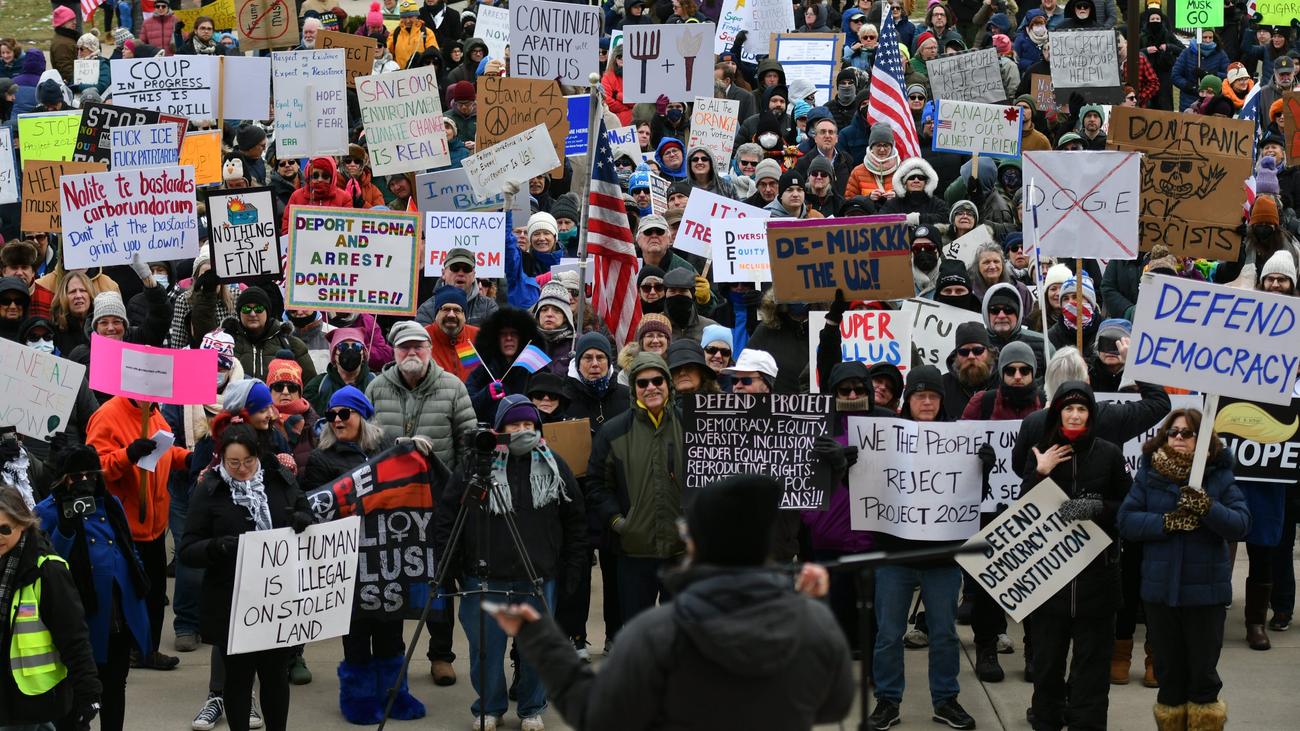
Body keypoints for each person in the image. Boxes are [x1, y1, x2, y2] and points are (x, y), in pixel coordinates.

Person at [494, 473, 854, 731]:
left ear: (697, 544)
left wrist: (541, 639)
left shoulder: (656, 633)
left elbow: (595, 713)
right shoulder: (814, 623)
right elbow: (834, 704)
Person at [434, 395, 587, 731]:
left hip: (537, 575)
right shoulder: (477, 467)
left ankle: (532, 707)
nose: (523, 431)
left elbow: (576, 521)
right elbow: (447, 517)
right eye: (515, 425)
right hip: (485, 576)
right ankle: (488, 707)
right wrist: (449, 568)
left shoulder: (555, 465)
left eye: (529, 425)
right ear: (500, 429)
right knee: (485, 652)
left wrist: (573, 567)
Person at [1119, 409, 1249, 731]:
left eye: (1187, 433)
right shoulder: (1149, 474)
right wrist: (1166, 523)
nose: (1178, 438)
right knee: (1169, 679)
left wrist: (1207, 506)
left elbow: (1241, 525)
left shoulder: (1219, 475)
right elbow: (1126, 521)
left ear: (1202, 440)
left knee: (1203, 679)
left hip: (1205, 597)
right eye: (1173, 432)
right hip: (1160, 595)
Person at [180, 424, 313, 731]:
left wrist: (302, 519)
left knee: (275, 675)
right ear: (222, 460)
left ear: (258, 455)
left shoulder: (279, 479)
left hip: (276, 600)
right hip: (232, 601)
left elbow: (305, 509)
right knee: (238, 678)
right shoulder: (210, 489)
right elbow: (188, 549)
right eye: (233, 464)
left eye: (248, 462)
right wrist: (215, 547)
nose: (242, 470)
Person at [366, 321, 475, 685]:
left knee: (437, 578)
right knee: (393, 576)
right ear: (394, 352)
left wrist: (459, 490)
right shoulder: (376, 387)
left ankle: (441, 655)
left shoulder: (453, 387)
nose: (412, 353)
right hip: (391, 503)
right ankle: (394, 654)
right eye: (404, 348)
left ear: (429, 350)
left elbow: (468, 442)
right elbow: (366, 440)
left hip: (439, 503)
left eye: (418, 347)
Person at [1021, 382, 1131, 729]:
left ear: (1090, 414)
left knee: (1092, 668)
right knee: (1047, 665)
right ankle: (1047, 720)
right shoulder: (1041, 451)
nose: (1075, 414)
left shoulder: (1109, 453)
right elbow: (1023, 513)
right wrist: (1040, 473)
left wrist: (1095, 507)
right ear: (1057, 413)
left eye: (1082, 408)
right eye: (1068, 408)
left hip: (1097, 581)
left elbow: (1126, 507)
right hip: (1049, 586)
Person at [33, 445, 150, 731]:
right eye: (76, 476)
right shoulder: (47, 511)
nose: (84, 481)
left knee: (115, 686)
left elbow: (128, 546)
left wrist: (137, 578)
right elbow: (47, 566)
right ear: (63, 479)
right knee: (77, 695)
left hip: (118, 611)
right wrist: (66, 528)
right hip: (81, 617)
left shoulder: (111, 503)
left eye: (90, 474)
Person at [87, 394, 192, 672]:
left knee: (155, 594)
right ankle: (128, 652)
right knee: (128, 596)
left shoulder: (155, 413)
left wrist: (187, 459)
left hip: (156, 526)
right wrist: (128, 455)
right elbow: (95, 467)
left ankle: (148, 650)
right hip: (123, 529)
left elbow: (165, 453)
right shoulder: (107, 415)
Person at [585, 353, 684, 624]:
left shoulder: (691, 426)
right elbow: (596, 484)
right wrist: (618, 522)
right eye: (642, 383)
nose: (651, 387)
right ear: (634, 388)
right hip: (633, 551)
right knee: (637, 633)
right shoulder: (613, 431)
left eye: (657, 380)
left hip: (681, 551)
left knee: (680, 633)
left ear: (668, 383)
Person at [0, 485, 102, 730]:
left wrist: (89, 695)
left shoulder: (48, 571)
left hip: (34, 703)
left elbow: (74, 637)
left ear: (23, 524)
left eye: (4, 529)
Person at [305, 328, 377, 417]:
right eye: (343, 347)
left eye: (356, 346)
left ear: (364, 354)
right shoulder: (317, 385)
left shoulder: (376, 384)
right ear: (334, 355)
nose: (350, 351)